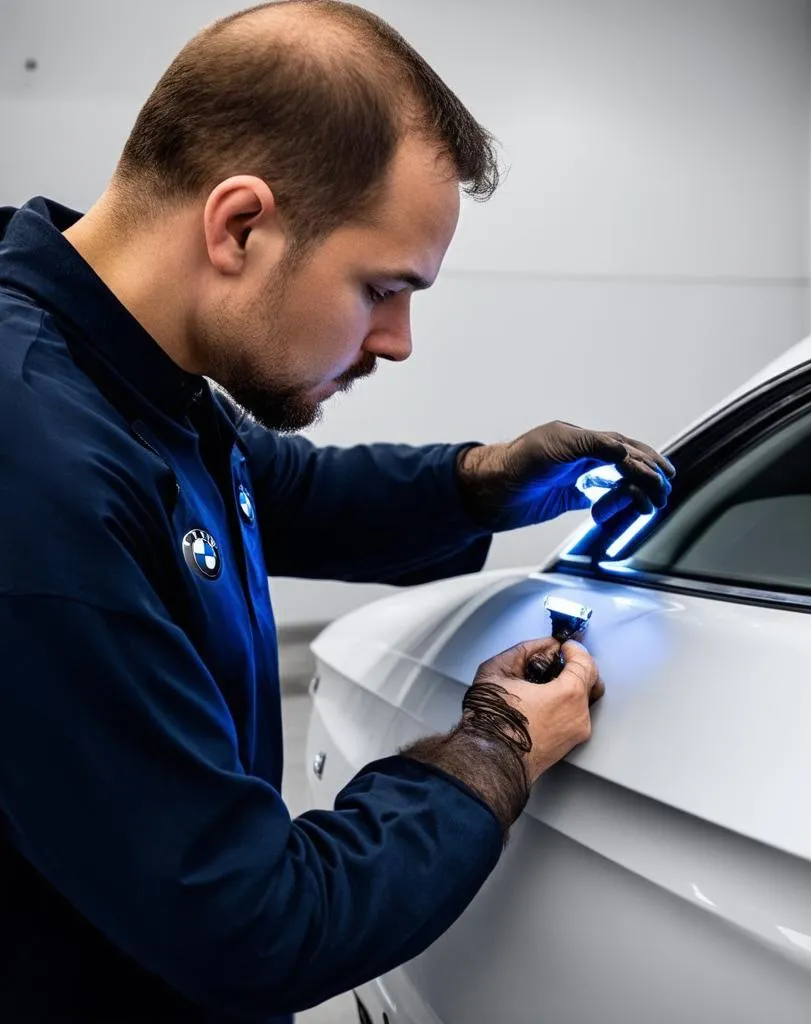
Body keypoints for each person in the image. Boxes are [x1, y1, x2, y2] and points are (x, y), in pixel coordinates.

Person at [0, 2, 674, 1020]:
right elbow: (249, 923)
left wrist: (481, 478)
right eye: (381, 288)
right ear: (240, 226)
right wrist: (490, 749)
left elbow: (270, 488)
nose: (397, 339)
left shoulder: (125, 367)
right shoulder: (40, 475)